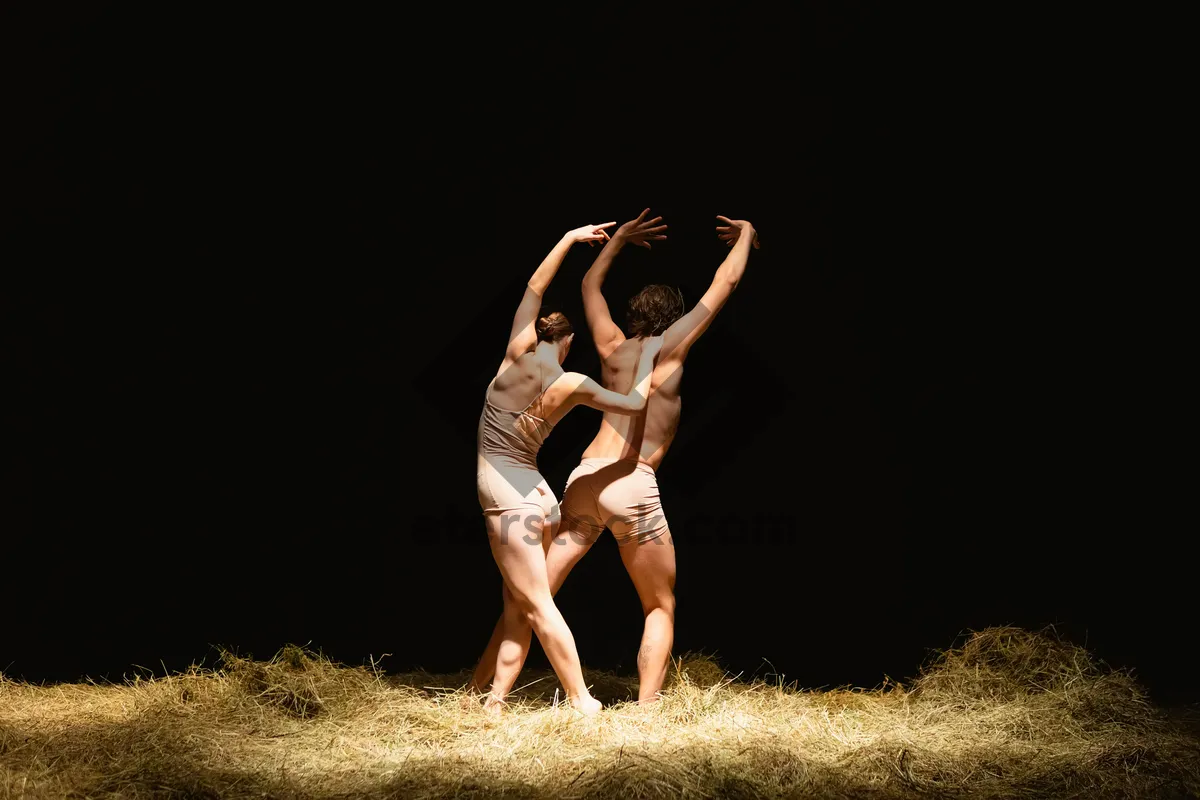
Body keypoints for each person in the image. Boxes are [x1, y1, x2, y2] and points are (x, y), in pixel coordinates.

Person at [470, 210, 758, 705]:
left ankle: (480, 689)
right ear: (672, 319)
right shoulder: (669, 347)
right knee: (659, 605)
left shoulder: (609, 347)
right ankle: (645, 712)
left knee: (528, 595)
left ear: (633, 317)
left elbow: (588, 286)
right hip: (632, 482)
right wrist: (748, 235)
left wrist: (617, 240)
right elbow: (725, 281)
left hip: (583, 481)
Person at [475, 221, 660, 716]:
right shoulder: (572, 382)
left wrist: (569, 238)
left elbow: (535, 286)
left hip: (507, 497)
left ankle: (582, 701)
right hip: (540, 496)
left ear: (537, 334)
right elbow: (633, 401)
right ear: (567, 343)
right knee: (521, 603)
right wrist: (649, 356)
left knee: (534, 604)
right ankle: (493, 700)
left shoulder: (513, 355)